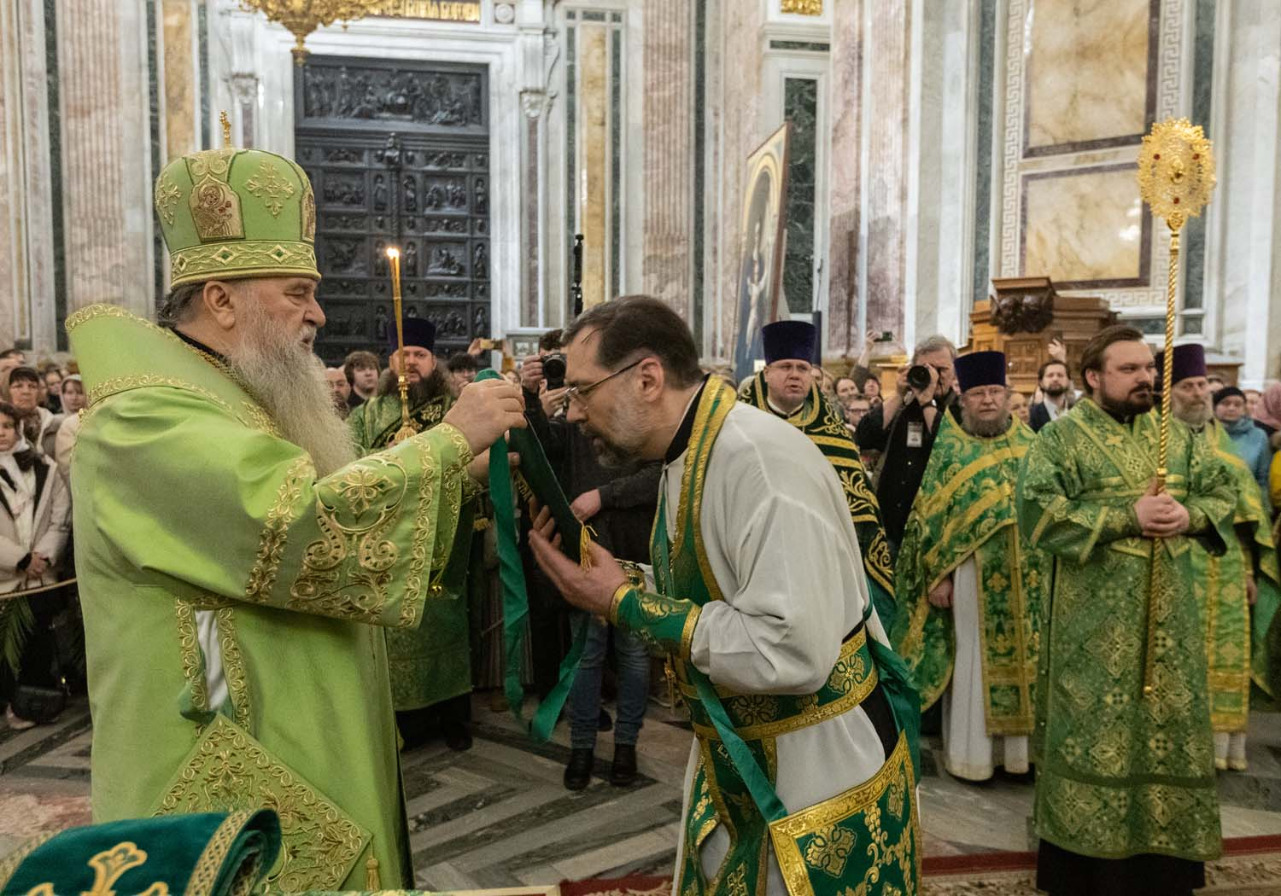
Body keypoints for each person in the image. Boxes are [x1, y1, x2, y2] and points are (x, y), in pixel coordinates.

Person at [68, 140, 526, 891]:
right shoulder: (142, 421)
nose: (318, 313)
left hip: (297, 741)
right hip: (222, 767)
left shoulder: (236, 397)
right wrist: (449, 441)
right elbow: (297, 526)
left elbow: (337, 496)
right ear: (221, 300)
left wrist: (459, 471)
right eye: (297, 292)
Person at [528, 296, 921, 896]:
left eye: (583, 390)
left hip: (816, 764)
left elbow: (791, 649)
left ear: (647, 378)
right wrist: (614, 579)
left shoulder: (757, 463)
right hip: (748, 742)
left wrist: (624, 604)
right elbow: (719, 591)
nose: (573, 411)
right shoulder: (694, 450)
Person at [1018, 325, 1235, 896]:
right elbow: (1037, 513)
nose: (1146, 379)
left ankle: (1164, 874)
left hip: (1170, 630)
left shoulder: (1177, 436)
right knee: (1094, 737)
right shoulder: (1060, 439)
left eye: (1148, 368)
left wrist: (1190, 516)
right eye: (1130, 369)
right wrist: (1125, 517)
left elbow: (1222, 491)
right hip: (1091, 633)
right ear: (1093, 377)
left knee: (1167, 733)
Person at [892, 351, 1049, 783]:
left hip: (1031, 578)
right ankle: (973, 757)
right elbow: (930, 521)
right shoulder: (951, 449)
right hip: (971, 576)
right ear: (963, 400)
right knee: (974, 662)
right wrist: (939, 575)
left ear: (1007, 396)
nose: (988, 401)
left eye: (995, 392)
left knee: (1031, 663)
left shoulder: (1031, 444)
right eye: (978, 394)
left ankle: (1021, 758)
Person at [520, 345, 660, 791]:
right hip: (588, 548)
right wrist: (530, 397)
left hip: (633, 550)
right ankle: (581, 747)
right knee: (586, 653)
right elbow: (542, 449)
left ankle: (626, 745)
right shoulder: (574, 421)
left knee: (634, 654)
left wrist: (605, 495)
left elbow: (659, 476)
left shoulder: (641, 419)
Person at [349, 319, 478, 752]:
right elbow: (347, 462)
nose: (411, 363)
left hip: (444, 534)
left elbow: (472, 453)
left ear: (433, 360)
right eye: (403, 355)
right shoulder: (366, 415)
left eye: (419, 355)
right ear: (390, 362)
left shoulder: (453, 409)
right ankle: (407, 722)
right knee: (398, 629)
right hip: (389, 541)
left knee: (446, 624)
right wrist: (386, 458)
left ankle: (454, 718)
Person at [1166, 345, 1280, 772]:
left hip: (1227, 565)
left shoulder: (1225, 447)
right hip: (1174, 562)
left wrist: (1249, 571)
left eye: (1201, 385)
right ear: (1169, 393)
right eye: (1187, 386)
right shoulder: (1154, 445)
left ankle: (1219, 747)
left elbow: (1247, 518)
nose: (1198, 393)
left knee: (1226, 654)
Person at [739, 320, 897, 627]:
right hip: (756, 560)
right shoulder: (740, 426)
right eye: (785, 366)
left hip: (821, 562)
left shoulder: (832, 432)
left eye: (802, 368)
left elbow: (859, 504)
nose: (795, 374)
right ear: (767, 372)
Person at [0, 402, 71, 730]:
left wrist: (41, 557)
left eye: (6, 426)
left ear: (18, 428)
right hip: (7, 577)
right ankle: (11, 702)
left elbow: (61, 517)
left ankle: (38, 702)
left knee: (38, 641)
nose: (1, 433)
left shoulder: (45, 466)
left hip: (41, 575)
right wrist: (20, 559)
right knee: (7, 646)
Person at [856, 335, 958, 551]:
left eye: (941, 370)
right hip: (889, 526)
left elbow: (949, 446)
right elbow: (865, 436)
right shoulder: (902, 405)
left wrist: (927, 402)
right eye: (927, 369)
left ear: (954, 372)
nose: (934, 376)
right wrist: (898, 393)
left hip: (936, 530)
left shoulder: (960, 409)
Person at [1215, 386, 1271, 506]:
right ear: (1215, 407)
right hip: (1211, 502)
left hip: (1247, 503)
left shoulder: (1258, 436)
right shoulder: (1205, 432)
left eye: (1237, 404)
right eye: (1225, 403)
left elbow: (1263, 477)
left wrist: (1264, 507)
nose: (1231, 408)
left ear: (1244, 409)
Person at [6, 367, 60, 458]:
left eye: (32, 386)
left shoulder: (54, 424)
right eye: (18, 386)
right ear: (8, 391)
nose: (26, 392)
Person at [52, 375, 84, 484]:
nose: (74, 398)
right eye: (69, 393)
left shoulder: (94, 421)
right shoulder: (53, 422)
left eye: (80, 393)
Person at [1028, 358, 1073, 432]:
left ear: (1068, 381)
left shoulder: (1078, 412)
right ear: (1041, 383)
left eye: (1060, 375)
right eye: (1050, 375)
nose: (1055, 379)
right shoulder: (1031, 415)